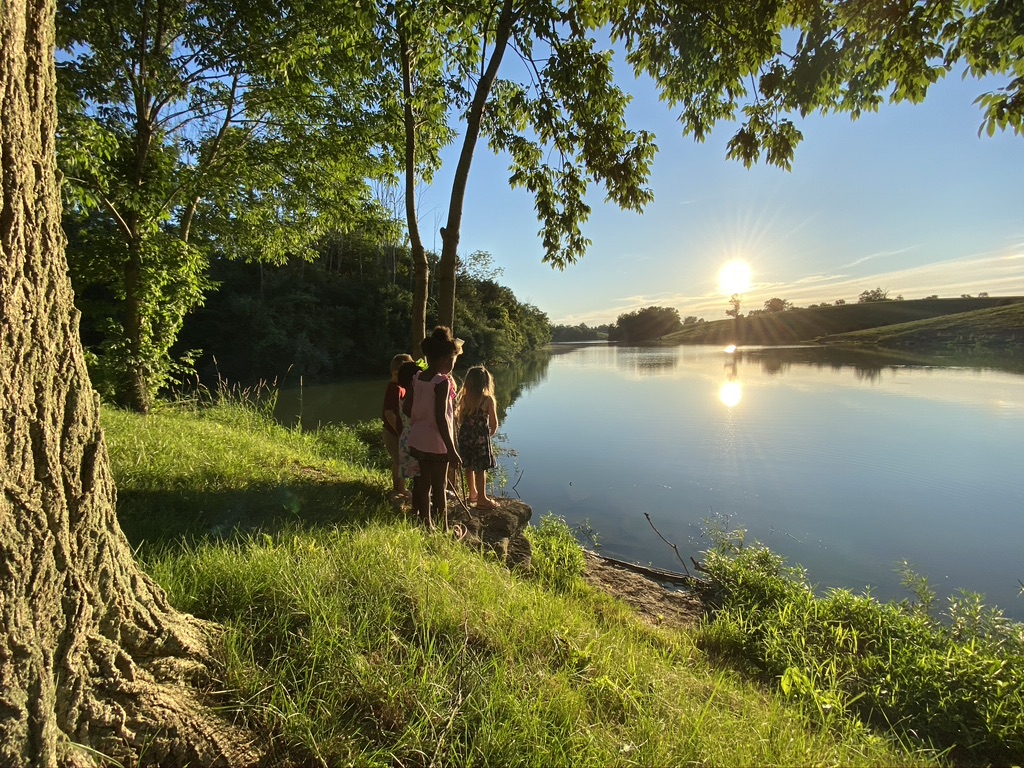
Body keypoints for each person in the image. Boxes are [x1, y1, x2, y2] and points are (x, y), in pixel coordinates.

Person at [403, 327, 462, 529]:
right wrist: (452, 450)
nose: (454, 364)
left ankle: (425, 523)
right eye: (454, 360)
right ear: (447, 358)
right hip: (437, 442)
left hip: (418, 439)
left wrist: (420, 419)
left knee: (422, 483)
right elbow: (441, 418)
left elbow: (407, 408)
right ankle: (443, 527)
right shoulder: (442, 382)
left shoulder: (417, 378)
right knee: (439, 485)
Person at [456, 366, 499, 508]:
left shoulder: (464, 399)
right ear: (485, 383)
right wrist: (487, 437)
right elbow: (494, 424)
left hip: (465, 438)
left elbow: (460, 419)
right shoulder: (487, 400)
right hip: (480, 440)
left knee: (468, 466)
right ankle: (482, 498)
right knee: (481, 469)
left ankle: (472, 494)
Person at [381, 353, 414, 499]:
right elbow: (389, 413)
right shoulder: (394, 389)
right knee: (399, 461)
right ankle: (398, 490)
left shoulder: (400, 387)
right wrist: (400, 431)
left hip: (396, 432)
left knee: (400, 460)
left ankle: (400, 488)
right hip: (393, 433)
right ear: (396, 372)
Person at [396, 360, 422, 493]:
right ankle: (419, 506)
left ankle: (416, 504)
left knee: (416, 478)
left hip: (405, 439)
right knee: (420, 478)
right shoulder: (414, 400)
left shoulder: (402, 398)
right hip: (416, 441)